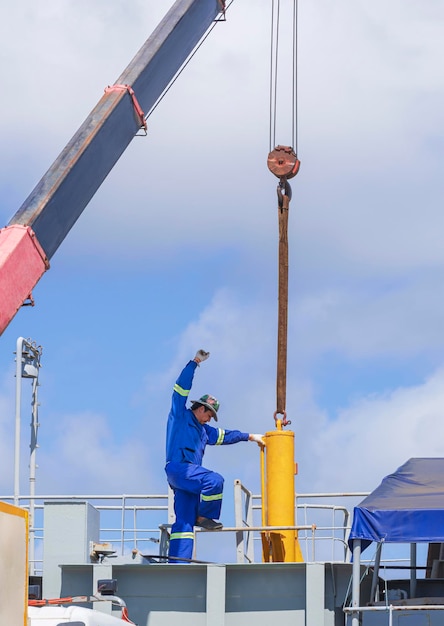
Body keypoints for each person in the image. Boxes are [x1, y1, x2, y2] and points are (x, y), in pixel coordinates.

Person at [165, 349, 265, 562]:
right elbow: (180, 388)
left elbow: (226, 435)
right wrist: (195, 362)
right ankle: (205, 516)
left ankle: (177, 563)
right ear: (200, 408)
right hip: (178, 468)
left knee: (183, 521)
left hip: (187, 480)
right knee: (214, 480)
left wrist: (250, 437)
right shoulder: (179, 415)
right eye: (209, 414)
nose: (209, 419)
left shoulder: (205, 431)